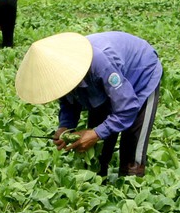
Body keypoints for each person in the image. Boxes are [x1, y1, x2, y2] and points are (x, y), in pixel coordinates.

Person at [15, 32, 163, 177]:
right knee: (97, 148)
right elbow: (68, 100)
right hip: (102, 82)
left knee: (132, 141)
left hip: (141, 74)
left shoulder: (101, 63)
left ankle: (132, 180)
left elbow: (127, 108)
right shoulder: (62, 72)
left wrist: (96, 133)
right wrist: (65, 127)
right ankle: (100, 181)